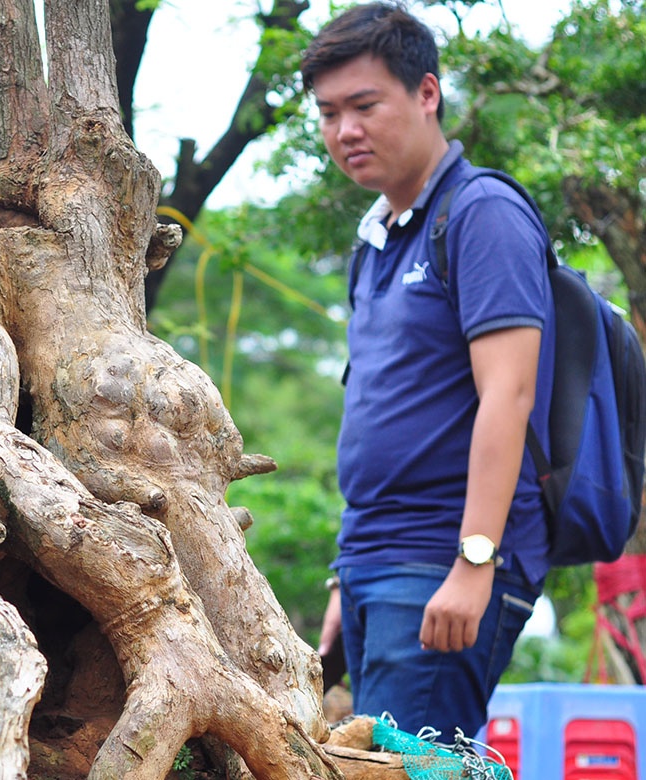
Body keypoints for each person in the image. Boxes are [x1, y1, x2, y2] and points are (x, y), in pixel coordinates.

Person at [301, 2, 554, 739]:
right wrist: (346, 582)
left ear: (426, 93)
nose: (344, 131)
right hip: (374, 563)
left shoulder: (481, 214)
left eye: (363, 105)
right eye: (327, 113)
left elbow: (507, 394)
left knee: (408, 768)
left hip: (445, 557)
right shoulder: (374, 242)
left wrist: (475, 560)